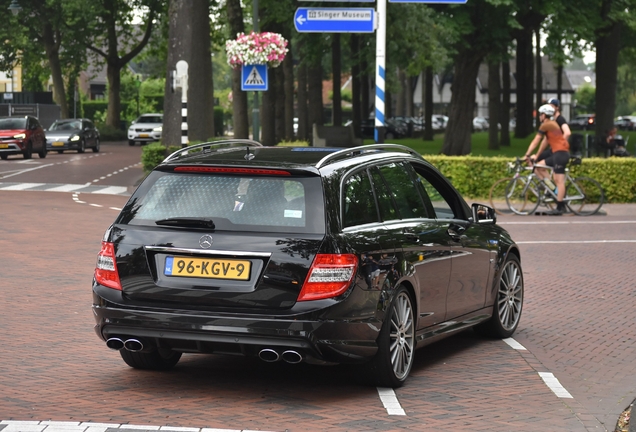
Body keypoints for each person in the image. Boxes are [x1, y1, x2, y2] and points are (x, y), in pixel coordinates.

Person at [524, 104, 570, 215]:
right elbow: (544, 142)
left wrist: (527, 154)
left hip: (561, 154)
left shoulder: (546, 125)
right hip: (557, 153)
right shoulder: (551, 125)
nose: (539, 116)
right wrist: (537, 156)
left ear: (544, 115)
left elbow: (536, 141)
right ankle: (551, 190)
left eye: (540, 114)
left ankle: (560, 207)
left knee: (559, 180)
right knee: (538, 166)